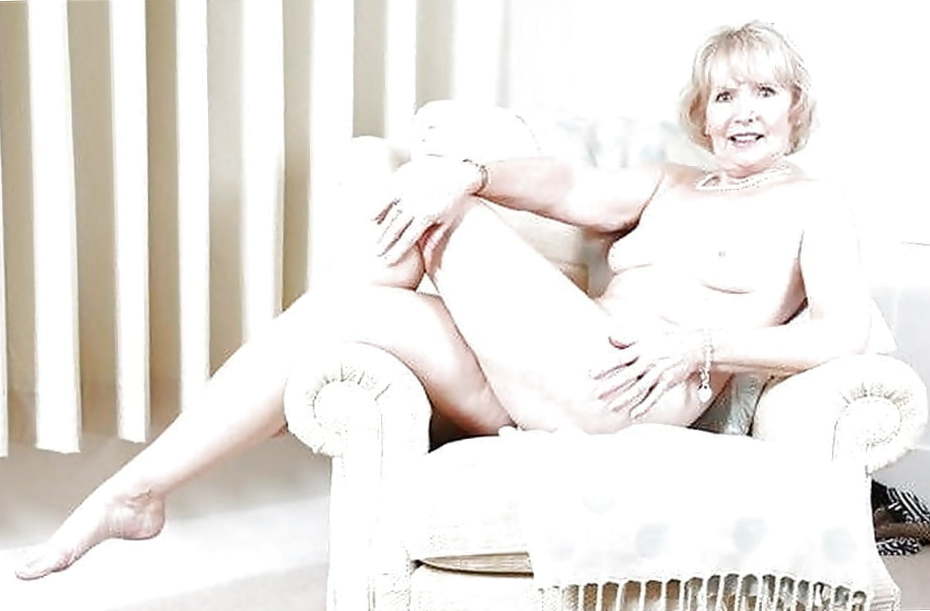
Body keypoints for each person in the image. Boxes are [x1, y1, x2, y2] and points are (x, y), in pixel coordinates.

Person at [15, 20, 871, 580]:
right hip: (538, 381)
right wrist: (477, 171)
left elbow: (841, 331)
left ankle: (278, 394)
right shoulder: (669, 182)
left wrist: (704, 346)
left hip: (625, 395)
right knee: (348, 311)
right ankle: (139, 490)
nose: (744, 112)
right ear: (703, 114)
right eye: (726, 95)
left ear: (795, 110)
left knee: (439, 202)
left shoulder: (812, 203)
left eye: (764, 93)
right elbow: (565, 186)